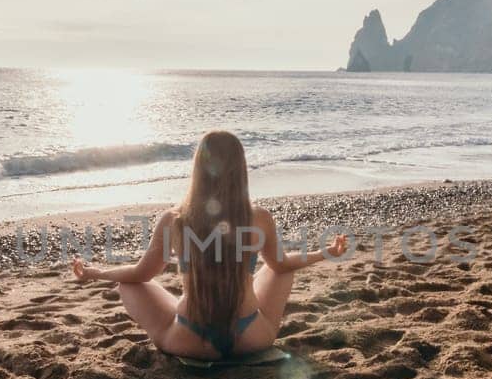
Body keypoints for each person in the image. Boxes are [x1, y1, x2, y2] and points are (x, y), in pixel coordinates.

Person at [70, 130, 349, 359]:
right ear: (240, 169)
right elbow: (282, 264)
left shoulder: (175, 219)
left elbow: (139, 275)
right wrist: (327, 252)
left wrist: (95, 272)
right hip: (250, 338)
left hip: (189, 340)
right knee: (280, 269)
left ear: (198, 169)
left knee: (128, 284)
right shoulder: (258, 218)